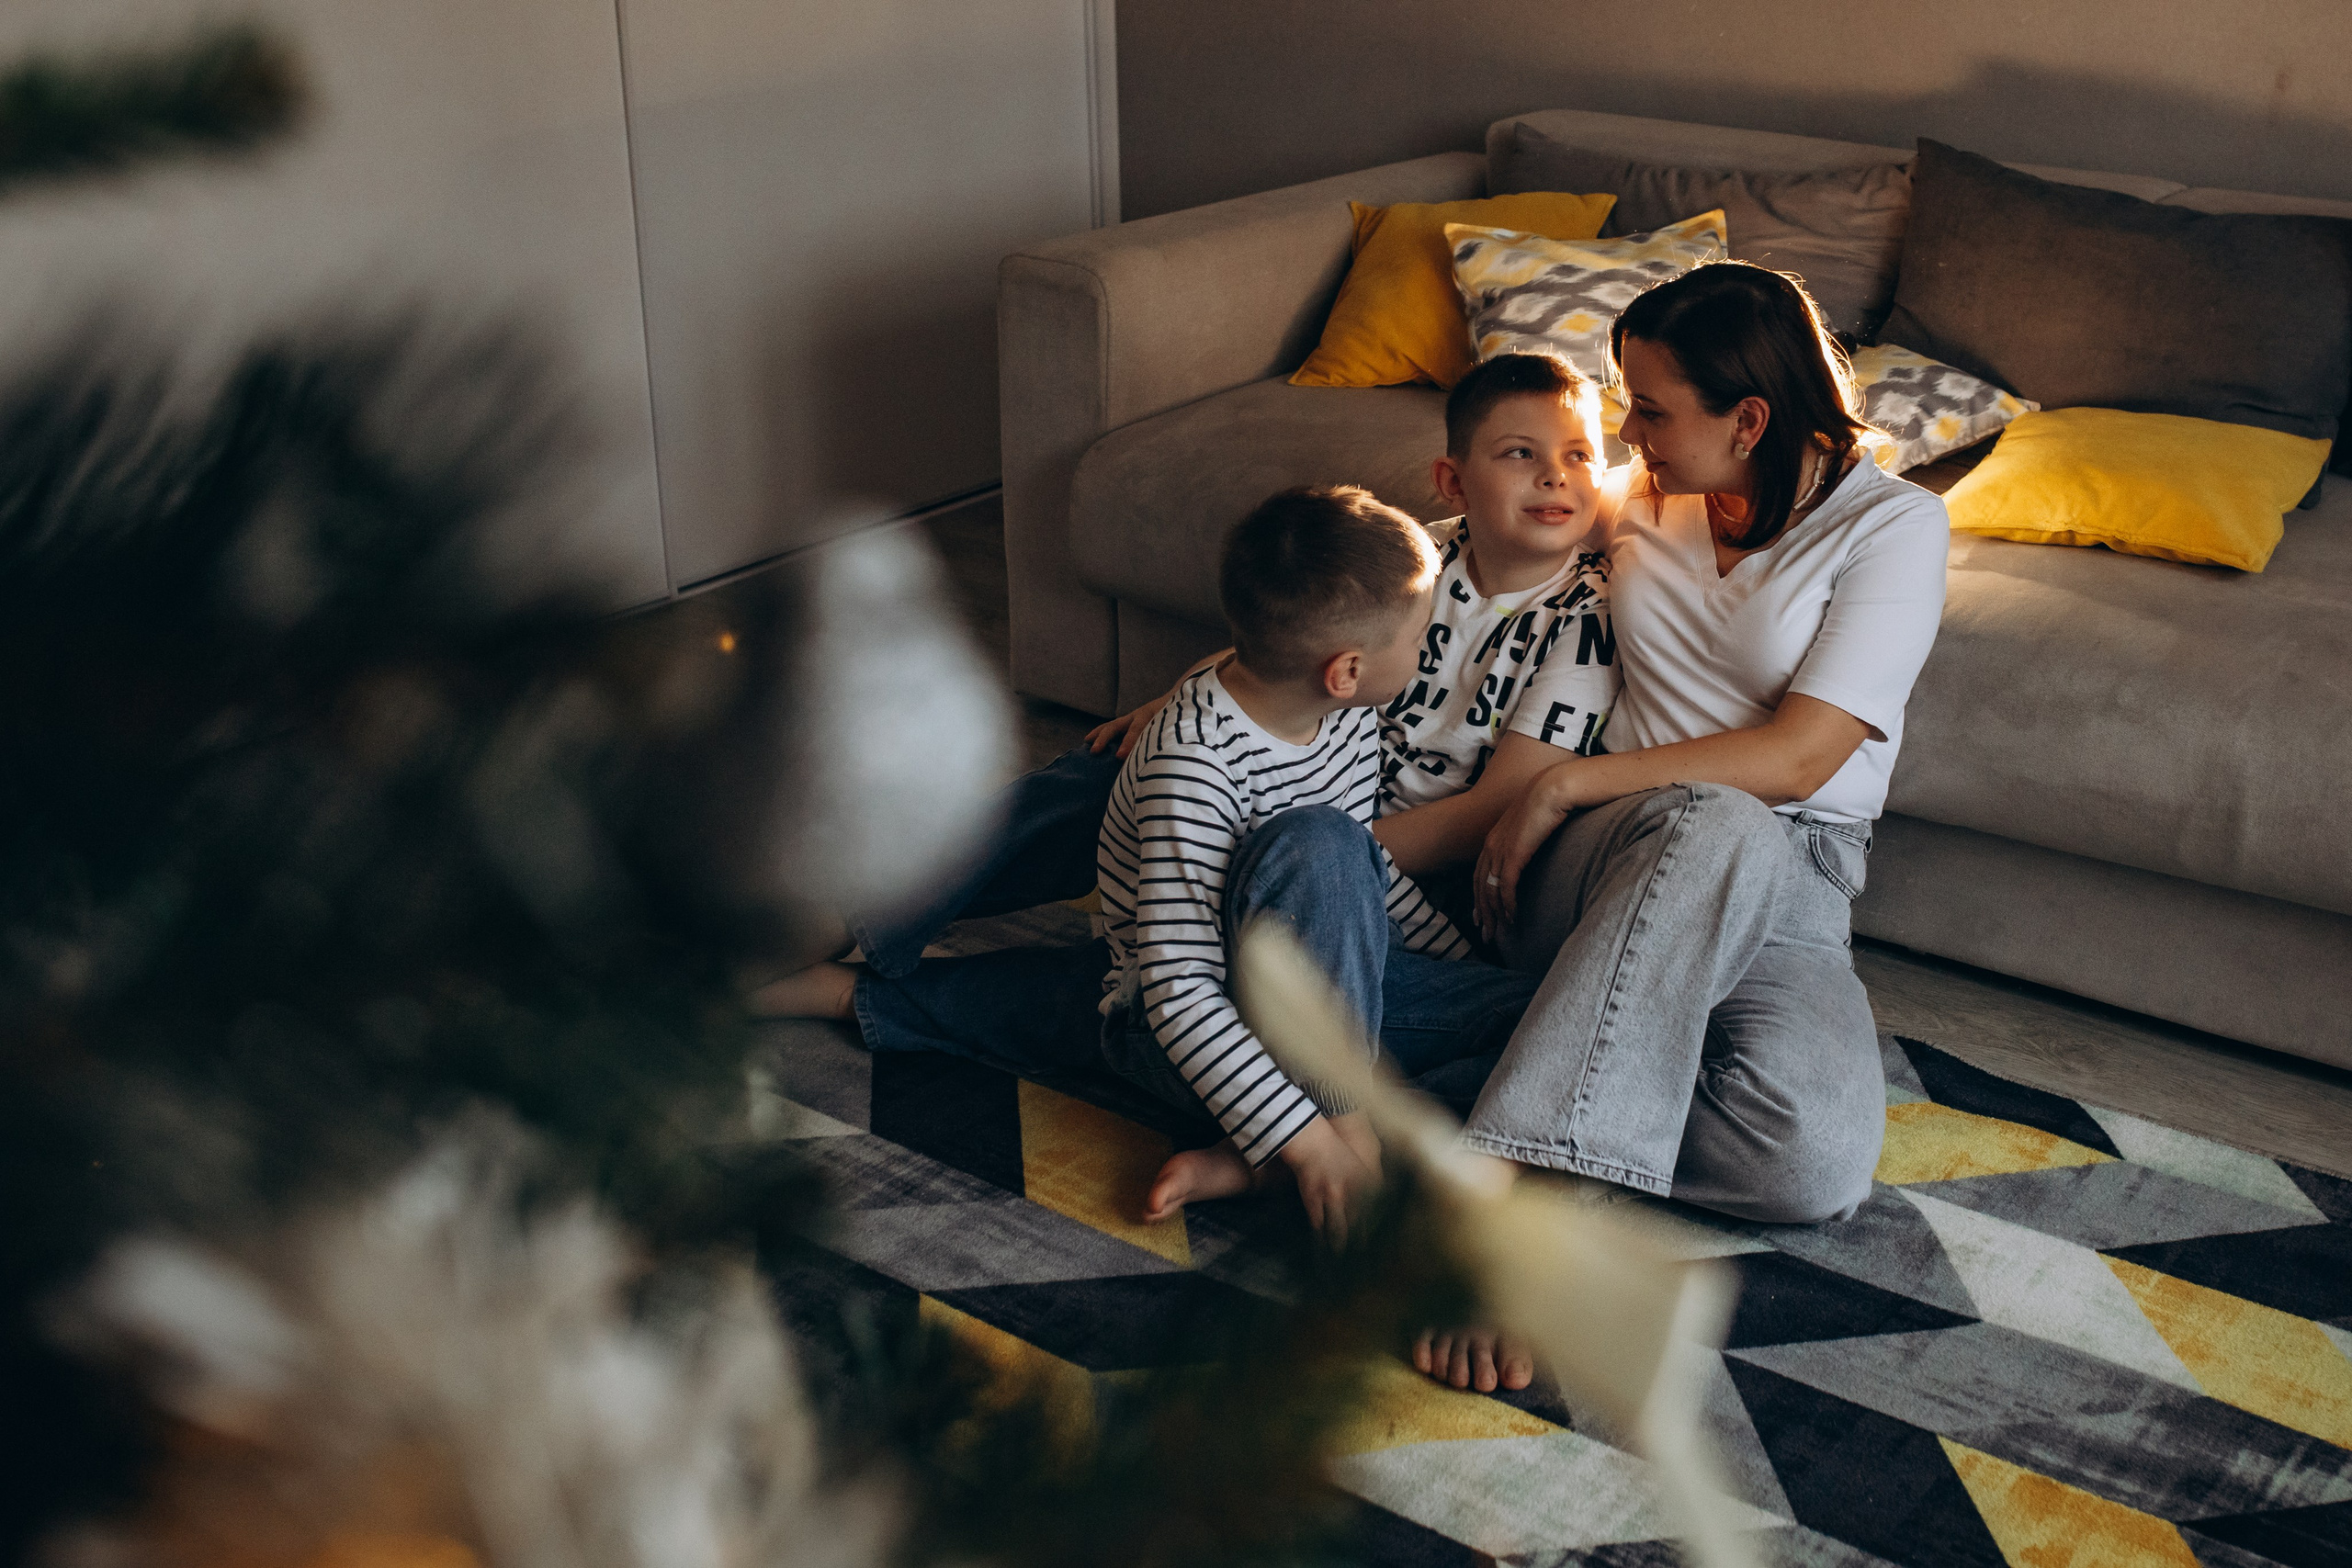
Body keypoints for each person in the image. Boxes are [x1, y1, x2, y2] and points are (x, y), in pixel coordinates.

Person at [1414, 262, 1951, 1394]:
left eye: (1649, 408)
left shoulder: (1890, 528)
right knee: (1715, 825)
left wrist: (1556, 785)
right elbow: (1474, 536)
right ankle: (1522, 1211)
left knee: (1806, 1162)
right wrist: (1233, 673)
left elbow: (1804, 758)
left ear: (1746, 418)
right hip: (1611, 852)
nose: (1623, 432)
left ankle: (1487, 1079)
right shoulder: (1643, 495)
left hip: (1795, 867)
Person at [757, 483, 1545, 1241]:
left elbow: (1360, 885)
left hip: (1308, 1000)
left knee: (1542, 1025)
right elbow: (1177, 997)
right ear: (1344, 669)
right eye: (1418, 638)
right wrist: (1312, 1139)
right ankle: (1338, 1143)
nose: (1426, 648)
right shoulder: (1192, 765)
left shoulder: (1344, 718)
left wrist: (1455, 956)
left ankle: (1253, 1154)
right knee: (1297, 863)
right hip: (1187, 1018)